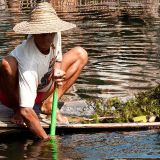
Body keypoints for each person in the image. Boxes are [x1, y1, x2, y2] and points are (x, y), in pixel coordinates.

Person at [0, 2, 88, 140]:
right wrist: (47, 141)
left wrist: (57, 70)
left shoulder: (54, 32)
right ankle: (15, 106)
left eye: (50, 33)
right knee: (7, 63)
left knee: (80, 54)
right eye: (43, 34)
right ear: (34, 33)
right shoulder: (28, 58)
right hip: (17, 92)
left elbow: (58, 58)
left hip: (42, 87)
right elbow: (26, 111)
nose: (48, 38)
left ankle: (49, 102)